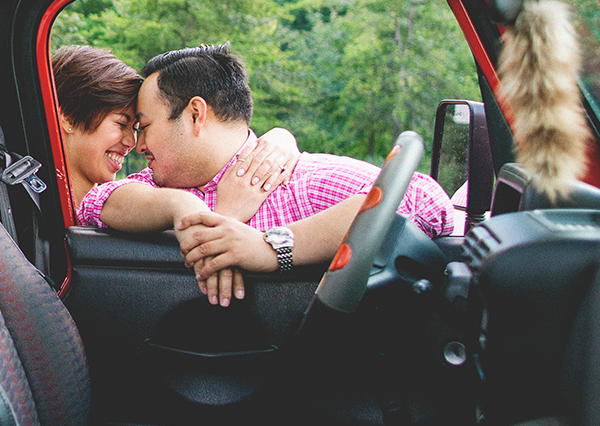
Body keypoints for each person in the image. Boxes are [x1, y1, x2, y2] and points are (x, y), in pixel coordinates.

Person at [81, 44, 453, 307]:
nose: (138, 143)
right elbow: (99, 203)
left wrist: (272, 248)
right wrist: (194, 209)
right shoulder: (159, 187)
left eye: (144, 126)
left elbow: (419, 199)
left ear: (196, 115)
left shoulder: (302, 182)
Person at [51, 45, 303, 219]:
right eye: (120, 124)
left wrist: (278, 141)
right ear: (69, 118)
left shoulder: (151, 195)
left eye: (138, 128)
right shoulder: (33, 213)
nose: (132, 143)